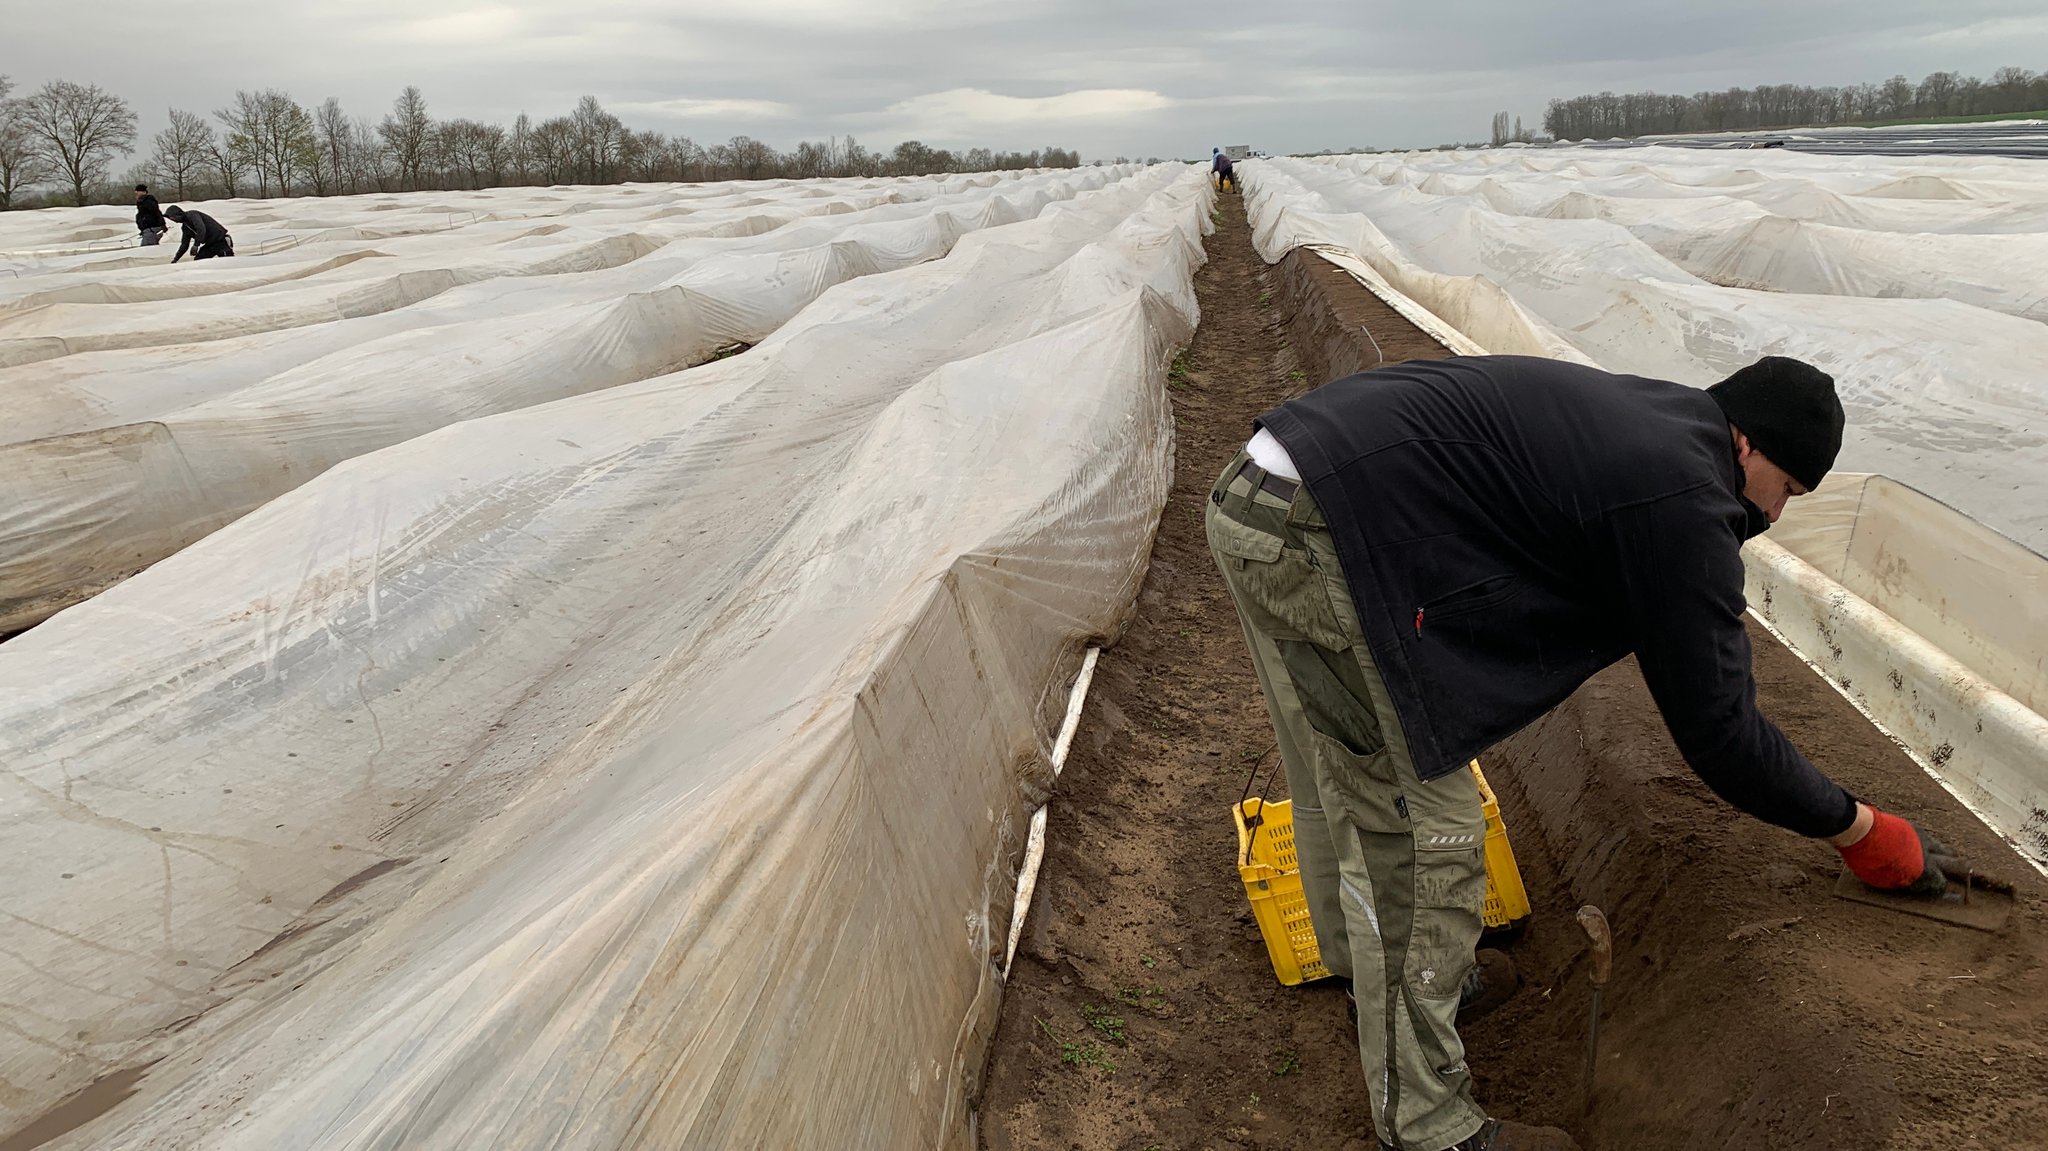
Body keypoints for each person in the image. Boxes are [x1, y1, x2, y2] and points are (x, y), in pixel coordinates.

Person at [1206, 355, 1971, 1151]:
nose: (1777, 516)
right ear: (1746, 444)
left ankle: (1378, 980)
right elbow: (1722, 732)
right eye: (1789, 489)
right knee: (1426, 836)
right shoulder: (1682, 496)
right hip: (1316, 531)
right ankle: (1429, 1126)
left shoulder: (1660, 424)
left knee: (1342, 767)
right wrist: (1857, 827)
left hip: (1268, 493)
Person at [163, 205, 234, 262]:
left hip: (220, 240)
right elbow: (184, 244)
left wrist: (196, 245)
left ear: (179, 214)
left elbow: (201, 229)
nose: (173, 220)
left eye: (173, 218)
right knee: (199, 260)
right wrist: (176, 259)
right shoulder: (185, 228)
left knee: (227, 261)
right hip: (209, 244)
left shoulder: (193, 215)